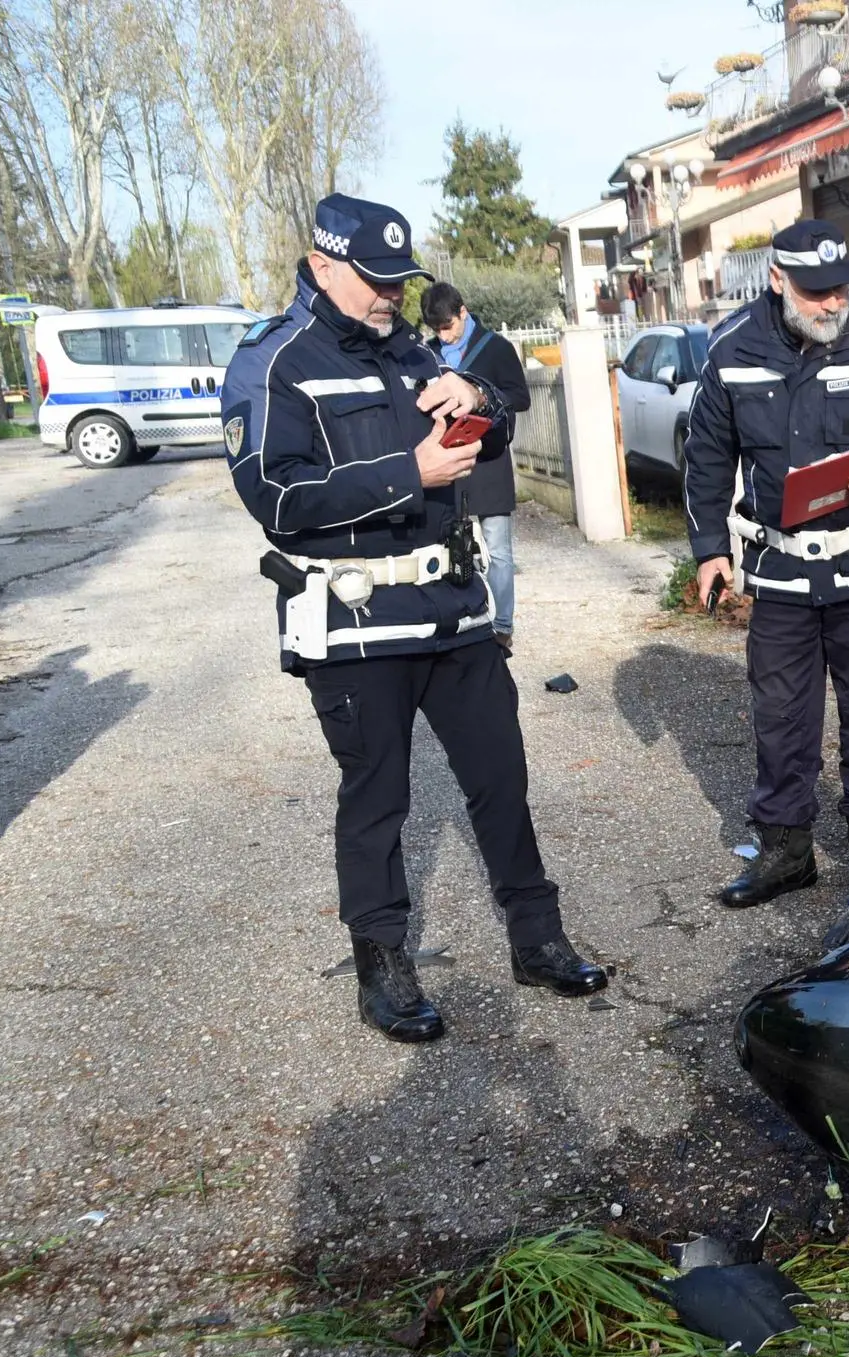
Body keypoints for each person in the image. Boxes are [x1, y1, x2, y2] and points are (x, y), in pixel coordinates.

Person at [221, 193, 605, 1044]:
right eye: (374, 279)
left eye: (400, 280)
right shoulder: (273, 361)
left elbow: (487, 438)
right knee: (377, 798)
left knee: (502, 776)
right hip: (355, 621)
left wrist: (478, 399)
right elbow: (272, 495)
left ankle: (536, 937)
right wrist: (411, 471)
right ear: (321, 267)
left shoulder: (410, 351)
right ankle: (383, 964)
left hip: (450, 612)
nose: (391, 295)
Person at [684, 218, 849, 908]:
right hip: (779, 574)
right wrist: (710, 551)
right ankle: (784, 851)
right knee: (779, 715)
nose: (832, 303)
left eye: (840, 289)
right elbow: (707, 457)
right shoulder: (731, 349)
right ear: (777, 280)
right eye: (814, 292)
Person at [421, 282, 528, 652]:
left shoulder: (497, 348)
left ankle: (502, 625)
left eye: (447, 326)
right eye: (436, 329)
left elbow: (520, 397)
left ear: (463, 313)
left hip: (491, 460)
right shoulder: (428, 353)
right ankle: (465, 624)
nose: (443, 335)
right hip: (449, 460)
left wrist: (481, 398)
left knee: (499, 552)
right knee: (455, 548)